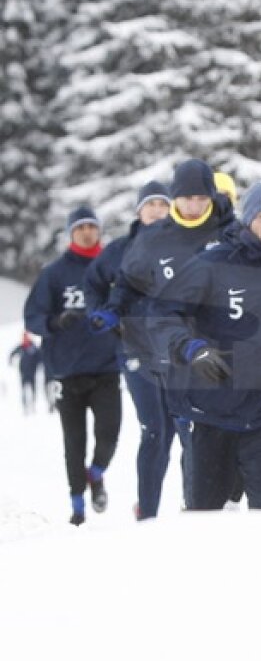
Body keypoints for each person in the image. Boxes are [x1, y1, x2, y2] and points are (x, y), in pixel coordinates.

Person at [148, 181, 261, 510]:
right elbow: (164, 313)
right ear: (248, 219)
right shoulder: (213, 263)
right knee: (204, 518)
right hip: (213, 411)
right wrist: (191, 350)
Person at [116, 159, 240, 510]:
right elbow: (127, 283)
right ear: (174, 199)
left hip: (222, 350)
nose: (194, 205)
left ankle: (215, 506)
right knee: (179, 435)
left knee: (219, 439)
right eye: (186, 198)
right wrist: (124, 319)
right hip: (174, 352)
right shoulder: (154, 239)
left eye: (202, 198)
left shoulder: (230, 233)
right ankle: (181, 509)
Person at [23, 206, 123, 525]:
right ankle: (78, 506)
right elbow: (33, 318)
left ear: (99, 231)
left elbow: (130, 303)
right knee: (73, 443)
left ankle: (96, 474)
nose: (87, 232)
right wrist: (54, 322)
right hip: (66, 371)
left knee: (109, 435)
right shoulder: (54, 273)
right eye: (79, 227)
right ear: (70, 233)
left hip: (106, 367)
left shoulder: (111, 268)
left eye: (92, 226)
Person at [83, 181, 173, 519]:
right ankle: (147, 513)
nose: (157, 211)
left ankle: (181, 506)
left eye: (163, 205)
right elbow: (92, 282)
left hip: (173, 352)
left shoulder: (180, 247)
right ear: (139, 211)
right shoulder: (121, 250)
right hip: (133, 348)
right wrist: (102, 314)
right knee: (154, 429)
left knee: (173, 431)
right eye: (150, 205)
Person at [9, 332, 44, 415]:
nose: (25, 339)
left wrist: (40, 365)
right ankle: (25, 407)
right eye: (24, 338)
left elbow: (40, 357)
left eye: (26, 337)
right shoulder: (21, 347)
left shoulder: (33, 347)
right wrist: (11, 361)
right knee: (24, 390)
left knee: (33, 389)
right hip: (23, 373)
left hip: (32, 372)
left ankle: (33, 404)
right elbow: (12, 354)